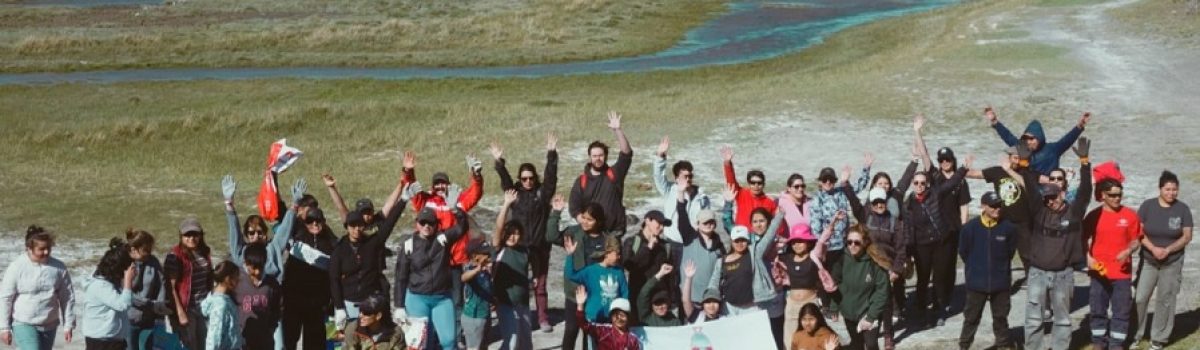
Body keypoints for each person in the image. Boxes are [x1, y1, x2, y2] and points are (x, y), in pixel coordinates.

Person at [1020, 138, 1092, 350]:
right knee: (1034, 320)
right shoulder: (1039, 210)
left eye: (1054, 196)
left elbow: (1086, 191)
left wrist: (1085, 163)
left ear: (1062, 193)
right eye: (1047, 197)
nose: (1051, 200)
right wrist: (1024, 166)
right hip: (1037, 273)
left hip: (1063, 275)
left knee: (1062, 320)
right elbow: (1031, 189)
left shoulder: (1074, 211)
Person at [399, 151, 485, 317]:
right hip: (431, 260)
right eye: (436, 184)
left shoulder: (457, 200)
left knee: (456, 300)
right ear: (432, 187)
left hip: (454, 261)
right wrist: (408, 171)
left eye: (443, 183)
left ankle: (457, 336)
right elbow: (410, 187)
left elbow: (475, 192)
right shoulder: (425, 201)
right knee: (433, 299)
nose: (440, 187)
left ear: (448, 185)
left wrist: (476, 175)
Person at [489, 133, 559, 332]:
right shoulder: (515, 194)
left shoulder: (541, 194)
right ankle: (516, 313)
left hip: (539, 246)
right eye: (524, 178)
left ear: (535, 178)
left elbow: (551, 179)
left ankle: (543, 318)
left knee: (541, 284)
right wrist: (499, 162)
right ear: (520, 180)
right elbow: (505, 181)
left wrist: (552, 154)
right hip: (518, 246)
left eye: (531, 178)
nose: (528, 181)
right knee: (517, 282)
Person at [903, 139, 971, 327]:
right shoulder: (909, 204)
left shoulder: (936, 192)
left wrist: (964, 168)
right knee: (922, 279)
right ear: (912, 184)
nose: (919, 185)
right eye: (916, 183)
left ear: (927, 183)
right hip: (922, 245)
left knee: (940, 278)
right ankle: (921, 310)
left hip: (940, 241)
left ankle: (939, 310)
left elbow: (953, 183)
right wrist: (908, 253)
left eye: (922, 182)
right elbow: (908, 229)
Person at [547, 194, 620, 350]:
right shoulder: (574, 233)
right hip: (576, 292)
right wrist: (556, 213)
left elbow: (615, 263)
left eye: (590, 219)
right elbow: (551, 236)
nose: (585, 222)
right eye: (584, 218)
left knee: (592, 332)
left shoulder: (607, 239)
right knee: (572, 329)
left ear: (598, 221)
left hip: (597, 294)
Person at [393, 204, 469, 350]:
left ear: (436, 224)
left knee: (449, 341)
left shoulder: (443, 239)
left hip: (442, 298)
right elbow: (400, 278)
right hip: (417, 298)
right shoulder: (408, 245)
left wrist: (456, 210)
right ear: (417, 224)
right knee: (420, 343)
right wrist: (399, 306)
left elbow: (462, 228)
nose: (426, 226)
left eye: (431, 223)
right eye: (423, 222)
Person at [1132, 171, 1193, 350]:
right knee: (1141, 297)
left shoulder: (1183, 209)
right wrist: (1153, 249)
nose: (1171, 193)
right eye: (1167, 189)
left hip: (1172, 261)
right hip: (1149, 260)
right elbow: (1139, 233)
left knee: (1165, 299)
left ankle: (1159, 338)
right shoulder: (1147, 206)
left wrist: (1168, 249)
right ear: (1160, 189)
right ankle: (1136, 333)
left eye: (1174, 189)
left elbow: (1187, 236)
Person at [846, 184, 908, 350]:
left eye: (882, 202)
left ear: (886, 202)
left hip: (888, 267)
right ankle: (866, 330)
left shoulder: (895, 222)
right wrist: (846, 185)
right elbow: (854, 203)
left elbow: (901, 249)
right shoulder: (866, 216)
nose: (879, 205)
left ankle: (888, 335)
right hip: (868, 264)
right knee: (869, 297)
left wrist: (896, 270)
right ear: (871, 204)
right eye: (875, 203)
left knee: (886, 302)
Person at [1083, 178, 1142, 350]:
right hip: (1098, 272)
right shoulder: (1094, 216)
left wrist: (1129, 250)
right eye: (1113, 195)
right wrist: (1088, 258)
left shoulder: (1130, 215)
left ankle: (1117, 343)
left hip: (1121, 274)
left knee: (1121, 311)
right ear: (1103, 196)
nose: (1117, 198)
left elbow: (1136, 240)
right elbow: (1081, 239)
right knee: (1097, 310)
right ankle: (1099, 342)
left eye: (1119, 194)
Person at [957, 192, 1018, 350]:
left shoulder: (1009, 228)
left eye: (999, 205)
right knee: (971, 318)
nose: (997, 209)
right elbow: (964, 251)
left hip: (1001, 283)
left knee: (1001, 318)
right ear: (983, 206)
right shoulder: (970, 228)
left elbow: (1010, 252)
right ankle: (964, 346)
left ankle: (1003, 345)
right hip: (976, 283)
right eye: (993, 206)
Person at [1, 226, 76, 350]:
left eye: (48, 248)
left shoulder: (58, 268)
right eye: (41, 249)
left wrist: (68, 324)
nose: (46, 252)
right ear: (29, 249)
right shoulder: (17, 267)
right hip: (23, 322)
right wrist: (4, 328)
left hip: (49, 324)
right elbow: (5, 298)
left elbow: (67, 297)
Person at [282, 207, 338, 350]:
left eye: (318, 220)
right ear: (304, 222)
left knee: (315, 345)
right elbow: (281, 218)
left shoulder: (332, 243)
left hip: (316, 305)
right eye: (310, 221)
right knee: (288, 341)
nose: (314, 224)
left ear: (324, 222)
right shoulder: (297, 234)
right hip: (293, 301)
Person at [569, 111, 634, 235]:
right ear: (589, 157)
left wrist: (617, 130)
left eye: (601, 155)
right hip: (591, 234)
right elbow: (574, 205)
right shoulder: (581, 181)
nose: (598, 158)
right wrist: (582, 220)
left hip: (614, 232)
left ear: (606, 156)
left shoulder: (614, 174)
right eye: (594, 156)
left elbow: (626, 154)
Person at [780, 211, 837, 349]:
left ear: (808, 242)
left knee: (812, 334)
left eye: (800, 241)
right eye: (794, 241)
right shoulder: (787, 258)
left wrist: (833, 222)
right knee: (789, 338)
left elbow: (823, 240)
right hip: (792, 304)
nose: (797, 244)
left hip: (809, 302)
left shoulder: (813, 257)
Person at [831, 225, 889, 350]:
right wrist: (834, 306)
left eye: (857, 242)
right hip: (849, 311)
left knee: (871, 344)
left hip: (868, 310)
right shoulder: (842, 259)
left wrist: (871, 316)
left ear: (865, 243)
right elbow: (835, 284)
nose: (852, 245)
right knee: (857, 344)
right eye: (849, 242)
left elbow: (882, 291)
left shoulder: (874, 262)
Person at [985, 106, 1089, 175]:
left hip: (1049, 188)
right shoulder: (1022, 148)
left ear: (1039, 138)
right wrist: (995, 122)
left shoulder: (1053, 149)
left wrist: (1079, 126)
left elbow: (1068, 139)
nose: (1028, 142)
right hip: (1029, 189)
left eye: (1031, 138)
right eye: (1025, 139)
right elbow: (1007, 136)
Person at [492, 189, 534, 350]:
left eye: (516, 234)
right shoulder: (499, 248)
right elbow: (499, 226)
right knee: (511, 342)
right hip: (505, 303)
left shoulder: (524, 251)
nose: (512, 237)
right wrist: (507, 204)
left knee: (526, 344)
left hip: (523, 304)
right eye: (509, 233)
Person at [653, 135, 714, 244]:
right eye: (684, 176)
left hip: (693, 241)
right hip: (672, 241)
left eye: (690, 176)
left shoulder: (702, 197)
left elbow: (708, 219)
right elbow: (658, 176)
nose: (688, 179)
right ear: (676, 178)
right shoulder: (669, 190)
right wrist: (660, 155)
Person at [164, 218, 213, 350]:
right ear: (181, 236)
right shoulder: (175, 256)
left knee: (206, 343)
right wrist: (180, 312)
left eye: (195, 234)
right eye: (187, 235)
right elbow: (171, 287)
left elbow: (209, 279)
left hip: (204, 306)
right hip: (187, 308)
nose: (191, 238)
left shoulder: (205, 252)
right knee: (190, 345)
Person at [675, 189, 726, 313]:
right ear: (697, 224)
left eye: (711, 222)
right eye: (705, 222)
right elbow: (682, 216)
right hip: (690, 300)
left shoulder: (719, 245)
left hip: (711, 301)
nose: (708, 225)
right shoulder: (689, 237)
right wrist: (681, 194)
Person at [621, 209, 674, 325]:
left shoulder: (665, 246)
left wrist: (671, 300)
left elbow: (670, 276)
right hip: (638, 299)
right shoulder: (632, 242)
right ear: (647, 221)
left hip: (660, 300)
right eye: (659, 223)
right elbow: (628, 265)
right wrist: (648, 248)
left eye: (663, 225)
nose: (661, 228)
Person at [81, 238, 136, 350]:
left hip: (110, 340)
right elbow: (123, 305)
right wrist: (128, 281)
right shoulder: (101, 286)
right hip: (102, 342)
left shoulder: (109, 282)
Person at [565, 235, 630, 324]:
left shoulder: (619, 272)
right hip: (593, 317)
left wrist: (622, 312)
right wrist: (570, 256)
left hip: (613, 319)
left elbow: (624, 293)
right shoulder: (591, 271)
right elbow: (571, 275)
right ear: (607, 253)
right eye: (617, 254)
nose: (619, 257)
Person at [126, 229, 167, 350]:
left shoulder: (153, 262)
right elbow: (126, 293)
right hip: (129, 319)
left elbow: (162, 285)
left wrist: (159, 307)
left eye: (150, 250)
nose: (148, 253)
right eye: (145, 250)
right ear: (134, 249)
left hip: (149, 319)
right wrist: (147, 303)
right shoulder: (125, 263)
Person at [236, 244, 282, 350]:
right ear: (246, 263)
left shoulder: (272, 284)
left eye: (260, 267)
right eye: (254, 268)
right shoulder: (236, 280)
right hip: (241, 339)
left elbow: (277, 308)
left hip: (264, 340)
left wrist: (271, 327)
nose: (257, 272)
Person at [720, 145, 777, 228]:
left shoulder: (769, 203)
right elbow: (731, 182)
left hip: (760, 238)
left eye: (759, 183)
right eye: (753, 183)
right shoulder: (742, 194)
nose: (756, 185)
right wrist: (727, 163)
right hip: (741, 237)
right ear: (749, 184)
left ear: (763, 184)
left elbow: (774, 226)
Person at [574, 287, 640, 350]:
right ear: (611, 317)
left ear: (628, 317)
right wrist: (580, 305)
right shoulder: (603, 331)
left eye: (622, 315)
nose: (619, 318)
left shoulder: (633, 339)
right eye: (616, 315)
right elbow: (584, 325)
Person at [460, 240, 496, 350]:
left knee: (484, 346)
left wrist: (494, 301)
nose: (489, 256)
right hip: (473, 317)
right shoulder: (470, 269)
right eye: (485, 254)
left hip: (485, 314)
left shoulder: (486, 271)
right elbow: (464, 278)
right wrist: (477, 269)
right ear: (475, 256)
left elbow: (488, 289)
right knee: (474, 347)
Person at [203, 261, 242, 350]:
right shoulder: (220, 305)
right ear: (228, 279)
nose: (239, 279)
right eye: (236, 276)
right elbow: (214, 336)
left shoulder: (220, 297)